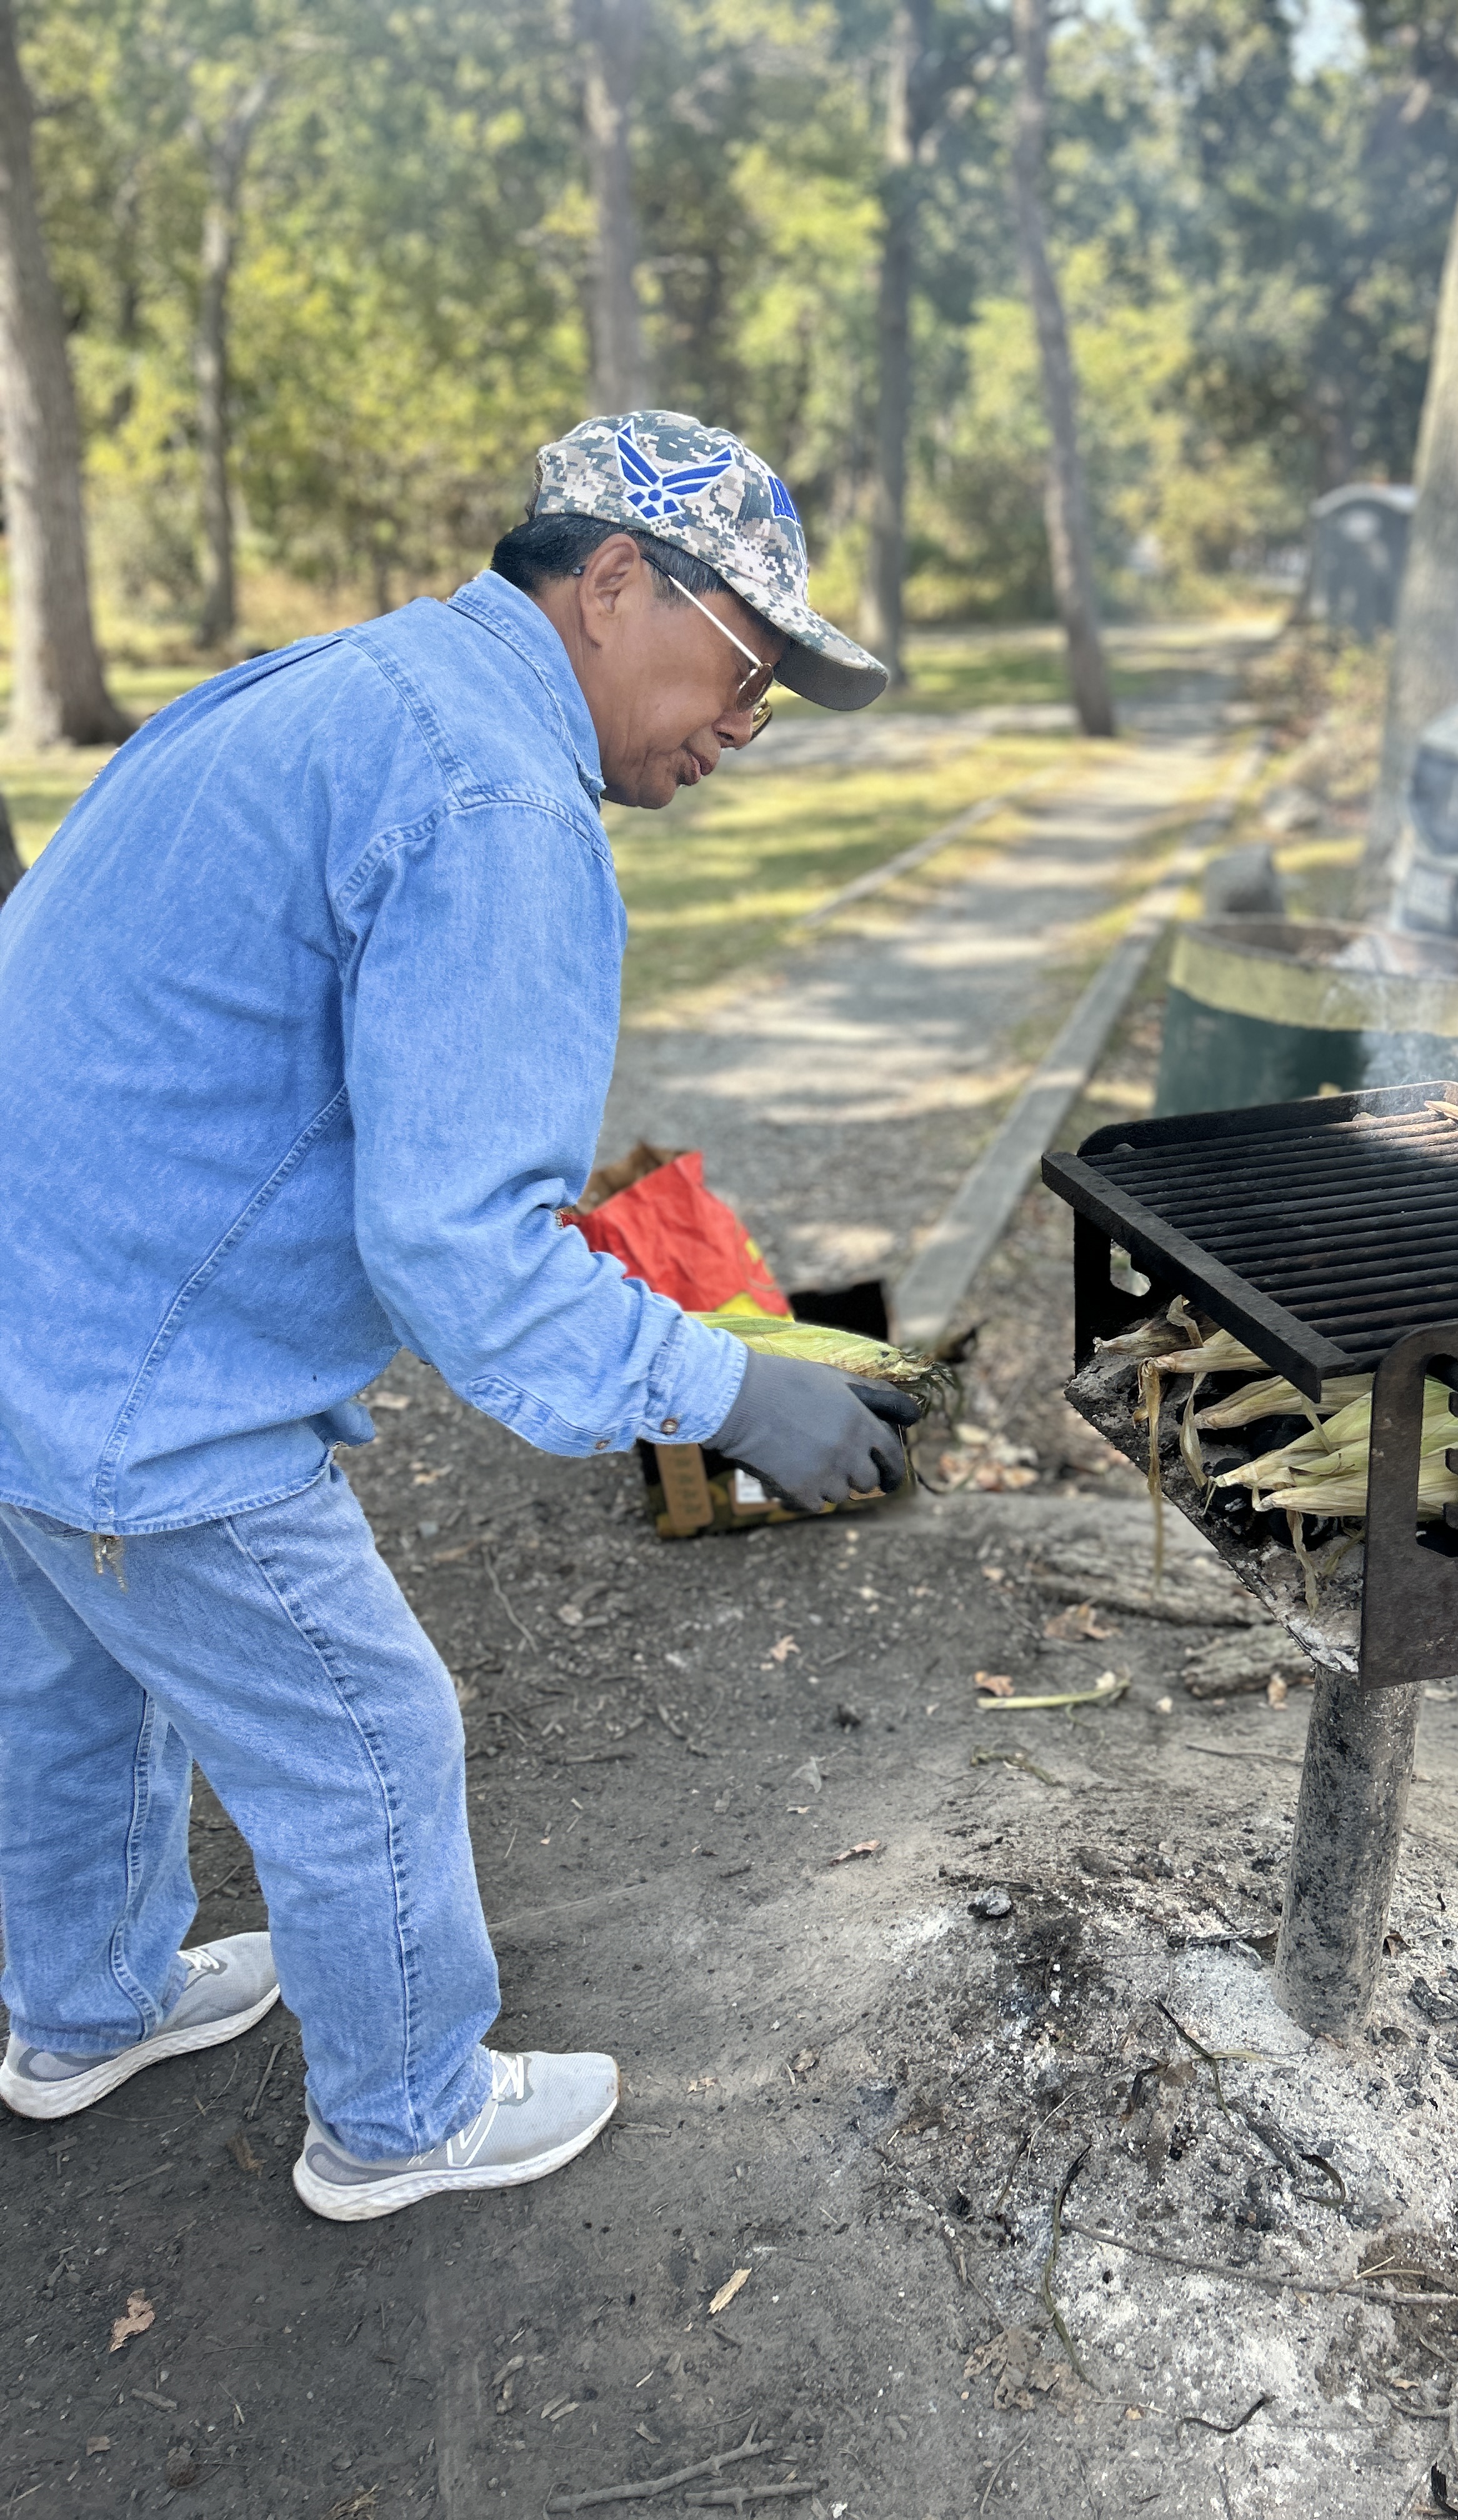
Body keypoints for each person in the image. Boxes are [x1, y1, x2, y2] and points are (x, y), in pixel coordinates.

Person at [0, 411, 917, 2222]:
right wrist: (730, 1392)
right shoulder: (495, 793)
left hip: (35, 1318)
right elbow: (459, 1248)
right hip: (151, 1380)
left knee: (82, 1681)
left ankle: (83, 2009)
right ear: (616, 582)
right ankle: (401, 2119)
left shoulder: (342, 684)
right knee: (370, 1735)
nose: (745, 728)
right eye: (747, 672)